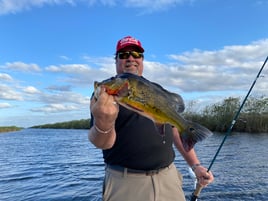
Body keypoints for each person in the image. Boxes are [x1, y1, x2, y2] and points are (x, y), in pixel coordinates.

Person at [88, 35, 214, 201]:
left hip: (168, 179)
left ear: (142, 60)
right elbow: (101, 143)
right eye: (124, 55)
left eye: (136, 54)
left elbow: (175, 130)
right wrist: (103, 122)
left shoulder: (156, 89)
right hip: (125, 184)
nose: (131, 58)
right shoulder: (103, 97)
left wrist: (195, 165)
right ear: (116, 61)